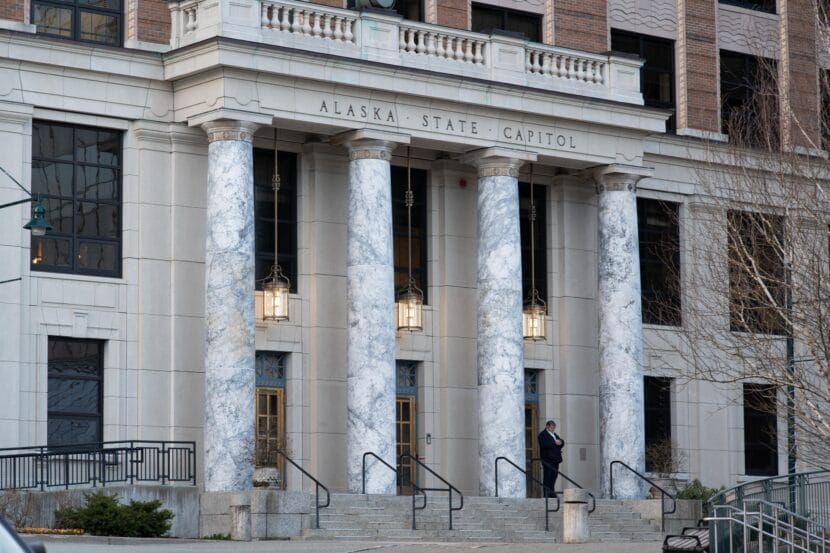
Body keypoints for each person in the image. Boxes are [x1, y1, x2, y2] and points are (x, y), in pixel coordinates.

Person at [537, 419, 564, 497]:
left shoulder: (554, 434)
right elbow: (543, 445)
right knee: (547, 477)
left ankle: (552, 492)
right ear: (547, 427)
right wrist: (554, 443)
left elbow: (561, 441)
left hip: (555, 460)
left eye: (554, 427)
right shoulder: (542, 435)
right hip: (547, 459)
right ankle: (546, 494)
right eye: (552, 427)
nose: (553, 429)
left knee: (554, 476)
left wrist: (561, 442)